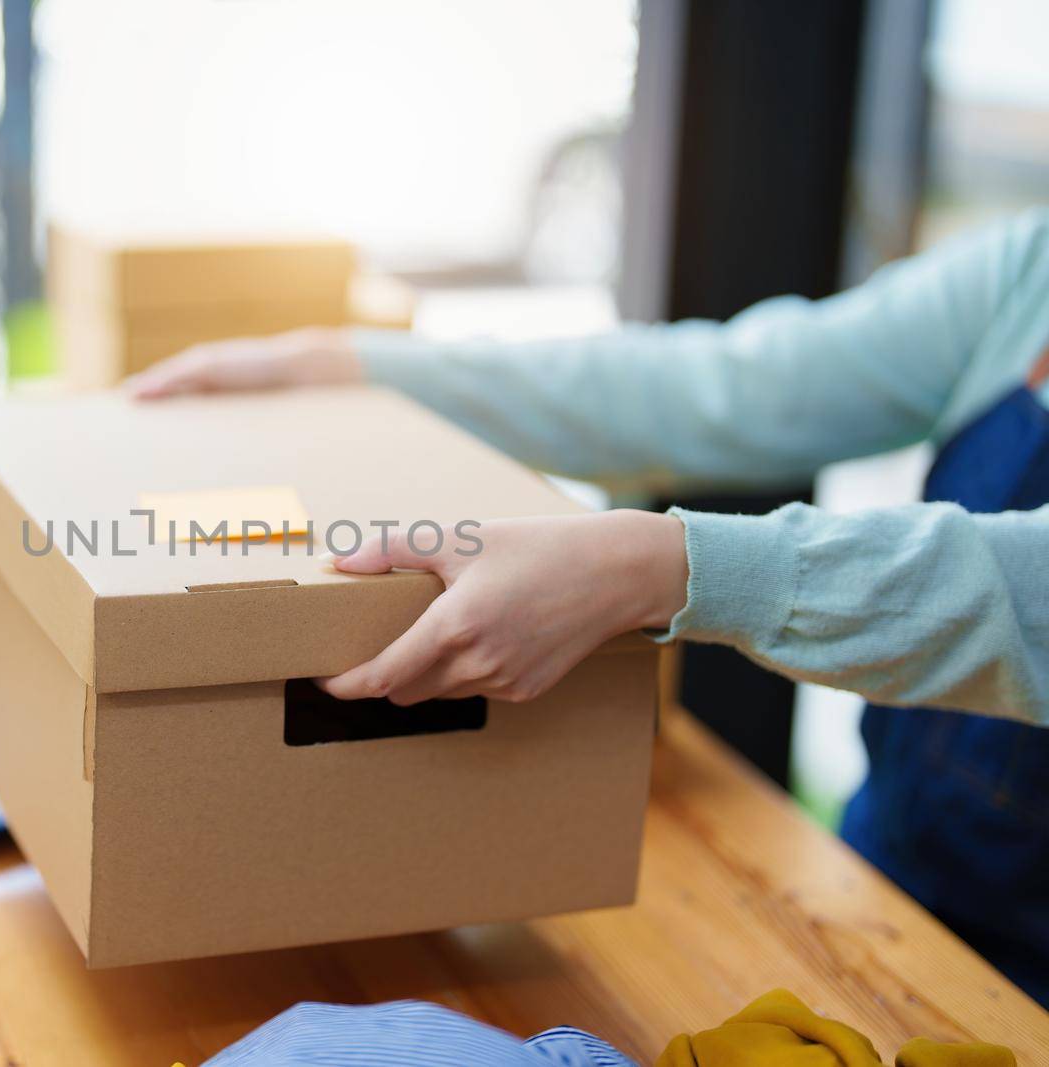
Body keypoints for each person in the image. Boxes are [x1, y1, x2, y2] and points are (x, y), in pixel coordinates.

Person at [127, 210, 1049, 1005]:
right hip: (885, 875)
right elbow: (723, 385)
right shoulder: (1028, 269)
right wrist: (349, 365)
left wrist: (658, 566)